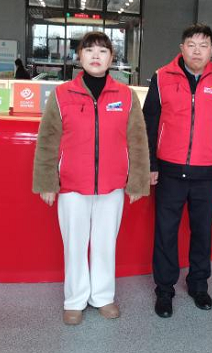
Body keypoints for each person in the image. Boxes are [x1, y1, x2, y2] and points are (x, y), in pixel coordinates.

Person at [32, 31, 150, 325]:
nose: (96, 56)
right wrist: (47, 182)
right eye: (89, 50)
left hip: (112, 185)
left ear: (112, 58)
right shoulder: (62, 95)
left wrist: (137, 180)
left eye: (103, 51)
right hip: (72, 185)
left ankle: (103, 296)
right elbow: (47, 140)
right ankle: (74, 299)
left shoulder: (126, 96)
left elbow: (137, 140)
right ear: (79, 56)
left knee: (105, 244)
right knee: (74, 245)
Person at [143, 24, 212, 318]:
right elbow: (148, 125)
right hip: (169, 172)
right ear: (182, 48)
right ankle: (165, 289)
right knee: (165, 232)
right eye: (192, 45)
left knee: (202, 233)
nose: (197, 51)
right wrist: (151, 164)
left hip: (206, 173)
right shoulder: (161, 78)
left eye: (204, 45)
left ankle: (199, 285)